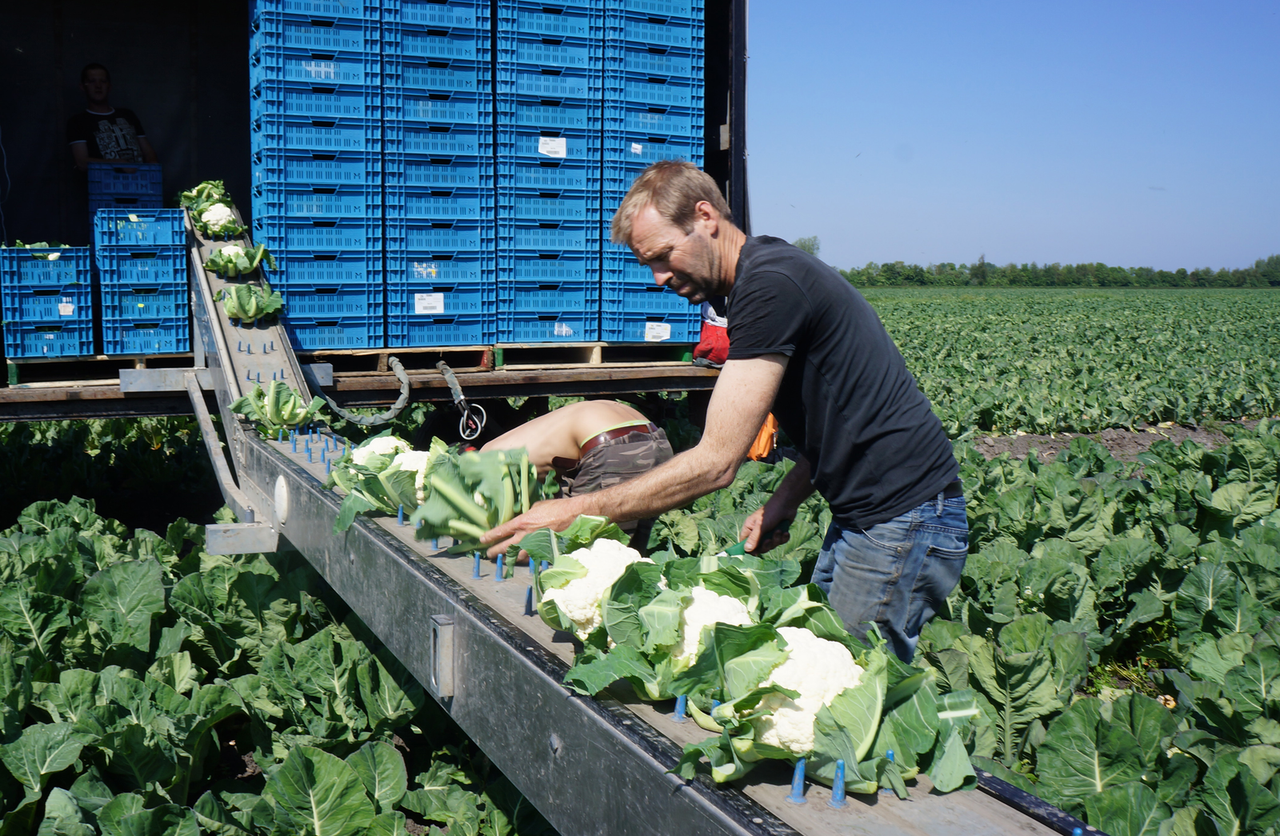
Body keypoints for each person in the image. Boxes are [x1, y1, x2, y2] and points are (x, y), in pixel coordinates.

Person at [482, 160, 967, 662]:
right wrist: (786, 498)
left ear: (706, 216)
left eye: (664, 256)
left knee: (846, 689)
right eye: (649, 264)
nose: (659, 278)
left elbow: (716, 463)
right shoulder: (761, 279)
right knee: (823, 666)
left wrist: (571, 510)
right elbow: (848, 416)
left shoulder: (770, 285)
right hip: (874, 514)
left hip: (902, 517)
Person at [479, 399, 674, 547]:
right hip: (655, 437)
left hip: (611, 447)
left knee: (589, 549)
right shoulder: (506, 443)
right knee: (631, 549)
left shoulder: (486, 464)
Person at [66, 63, 158, 172]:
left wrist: (152, 167)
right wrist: (119, 163)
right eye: (92, 81)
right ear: (82, 87)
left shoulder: (127, 114)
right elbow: (81, 162)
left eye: (103, 81)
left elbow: (148, 152)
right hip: (103, 185)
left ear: (109, 86)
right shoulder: (77, 122)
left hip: (138, 184)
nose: (98, 86)